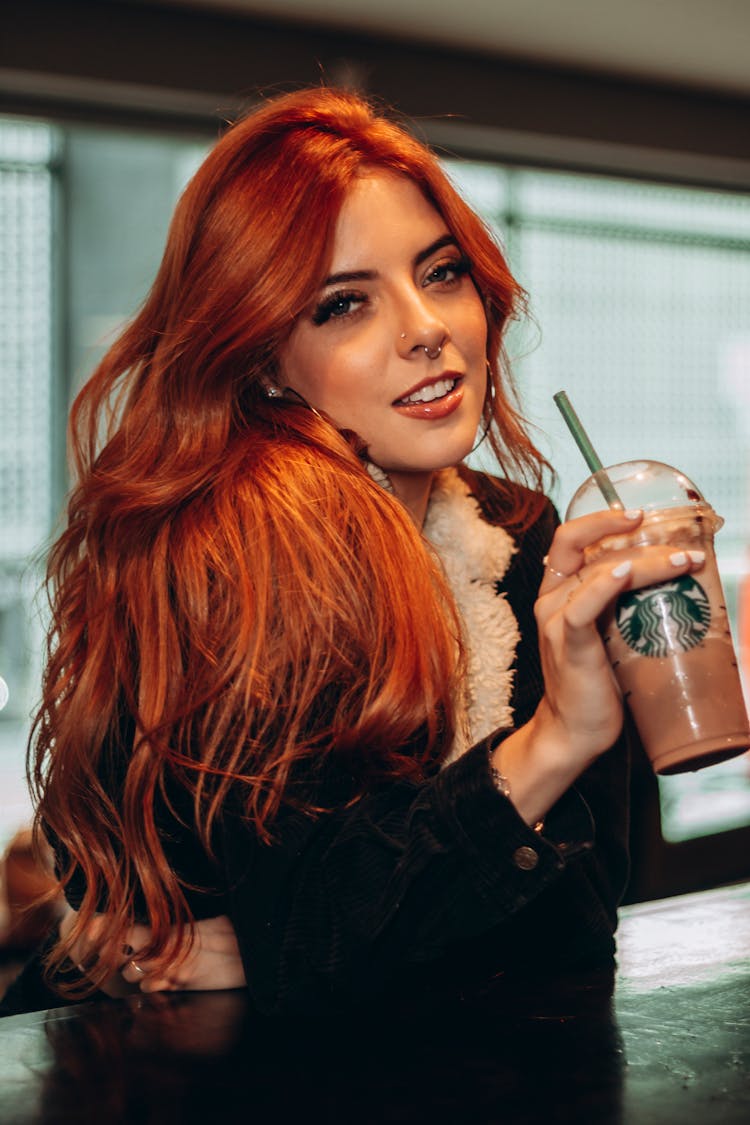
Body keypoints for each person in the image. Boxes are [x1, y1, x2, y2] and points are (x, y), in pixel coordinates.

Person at [2, 86, 705, 1017]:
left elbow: (578, 918)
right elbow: (319, 926)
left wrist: (276, 949)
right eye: (343, 305)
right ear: (259, 358)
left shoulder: (527, 537)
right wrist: (555, 743)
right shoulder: (234, 561)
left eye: (442, 272)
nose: (426, 328)